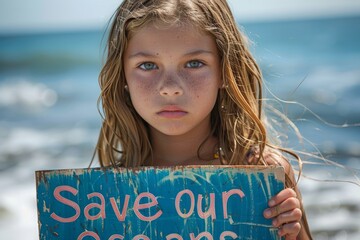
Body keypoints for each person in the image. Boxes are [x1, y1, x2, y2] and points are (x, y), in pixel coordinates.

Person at [93, 0, 312, 239]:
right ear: (122, 76)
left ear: (225, 70)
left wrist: (292, 233)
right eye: (147, 65)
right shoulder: (104, 198)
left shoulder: (263, 172)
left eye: (194, 63)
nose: (170, 88)